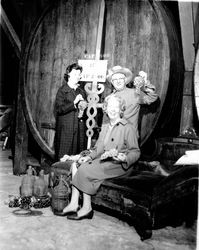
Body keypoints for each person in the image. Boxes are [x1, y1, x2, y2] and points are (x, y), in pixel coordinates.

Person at [54, 95, 140, 219]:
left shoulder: (128, 127)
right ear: (106, 108)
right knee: (76, 164)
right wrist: (88, 157)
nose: (112, 109)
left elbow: (135, 152)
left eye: (116, 107)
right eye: (110, 106)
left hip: (119, 165)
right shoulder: (105, 126)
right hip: (105, 161)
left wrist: (124, 158)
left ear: (121, 109)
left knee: (85, 169)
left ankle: (87, 208)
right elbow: (98, 149)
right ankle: (73, 204)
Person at [104, 66, 158, 137]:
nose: (118, 81)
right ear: (112, 82)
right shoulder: (109, 98)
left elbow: (152, 98)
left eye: (120, 78)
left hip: (130, 139)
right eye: (115, 79)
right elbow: (106, 122)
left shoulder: (135, 93)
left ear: (125, 80)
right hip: (113, 139)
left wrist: (145, 82)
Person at [54, 63, 87, 161]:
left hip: (79, 130)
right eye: (76, 73)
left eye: (79, 74)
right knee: (63, 156)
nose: (79, 76)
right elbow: (59, 109)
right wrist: (74, 102)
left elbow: (83, 112)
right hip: (66, 130)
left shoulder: (81, 92)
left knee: (77, 157)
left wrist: (83, 108)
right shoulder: (62, 91)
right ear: (68, 75)